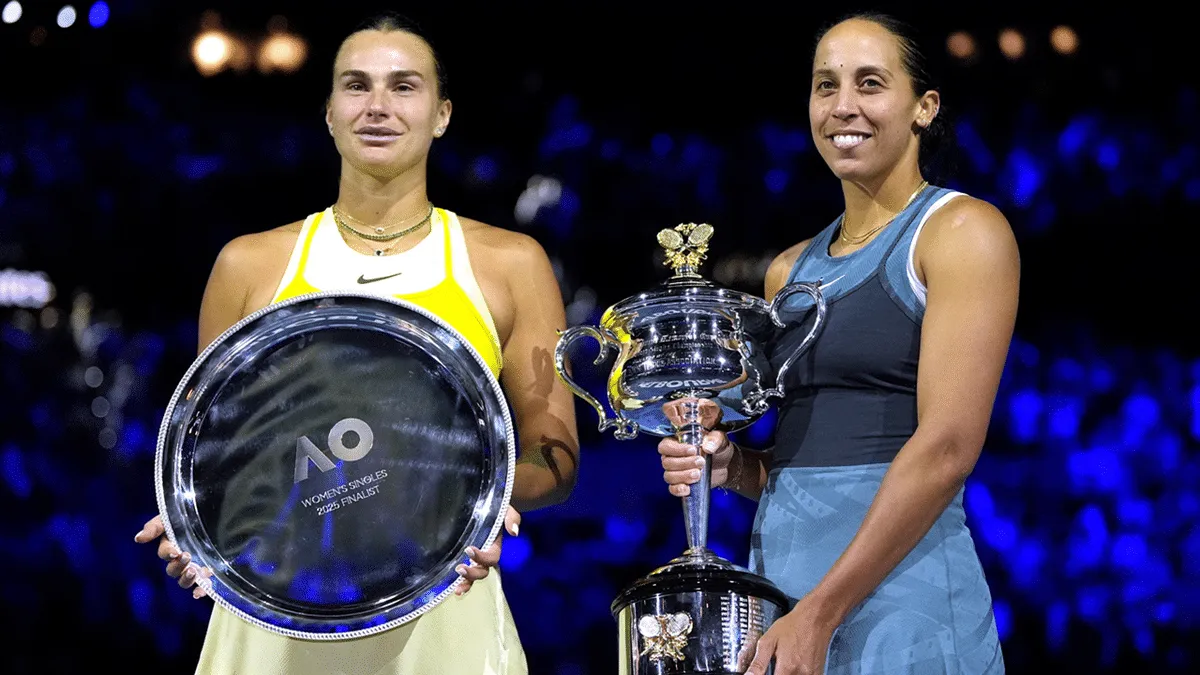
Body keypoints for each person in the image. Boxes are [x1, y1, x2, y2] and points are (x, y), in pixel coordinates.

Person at [133, 12, 580, 674]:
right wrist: (196, 527)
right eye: (356, 85)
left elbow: (555, 458)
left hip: (444, 616)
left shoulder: (510, 263)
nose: (377, 106)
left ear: (443, 114)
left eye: (404, 87)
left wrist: (474, 505)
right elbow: (225, 459)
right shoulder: (247, 266)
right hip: (278, 628)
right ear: (329, 112)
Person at [658, 12, 1017, 675]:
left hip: (900, 609)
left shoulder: (961, 230)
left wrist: (823, 610)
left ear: (923, 107)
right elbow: (795, 465)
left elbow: (946, 448)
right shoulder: (787, 271)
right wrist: (730, 467)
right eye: (826, 86)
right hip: (785, 600)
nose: (843, 106)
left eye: (871, 83)